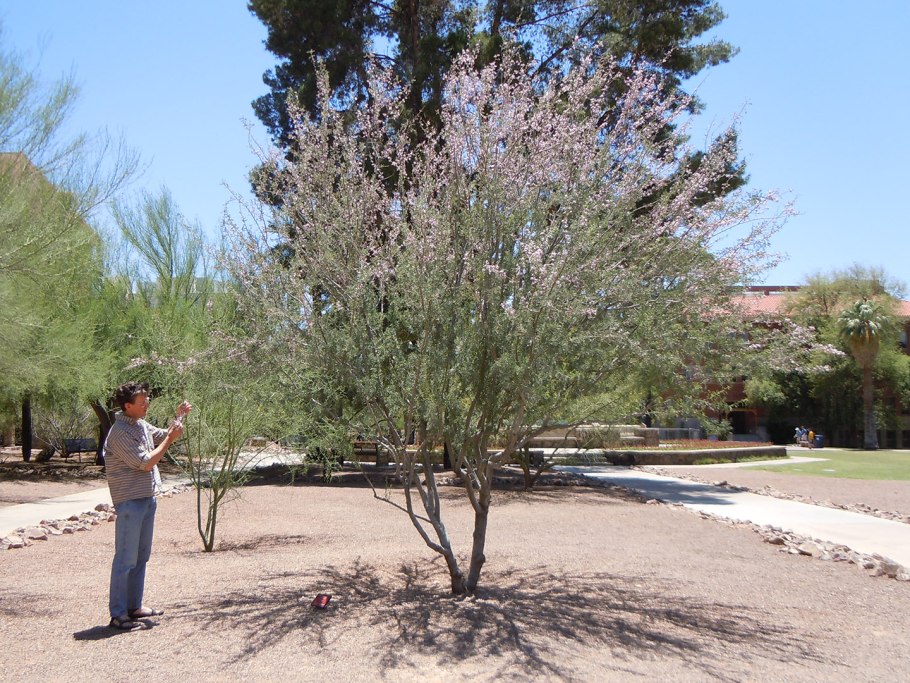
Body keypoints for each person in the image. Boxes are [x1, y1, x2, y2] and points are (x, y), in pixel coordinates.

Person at [104, 381, 191, 631]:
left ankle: (134, 606)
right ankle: (118, 614)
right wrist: (170, 440)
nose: (147, 405)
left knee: (141, 556)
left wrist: (179, 417)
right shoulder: (120, 432)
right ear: (127, 406)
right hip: (130, 501)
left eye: (147, 400)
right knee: (125, 559)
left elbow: (163, 435)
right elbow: (145, 463)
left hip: (146, 498)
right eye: (142, 402)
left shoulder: (139, 424)